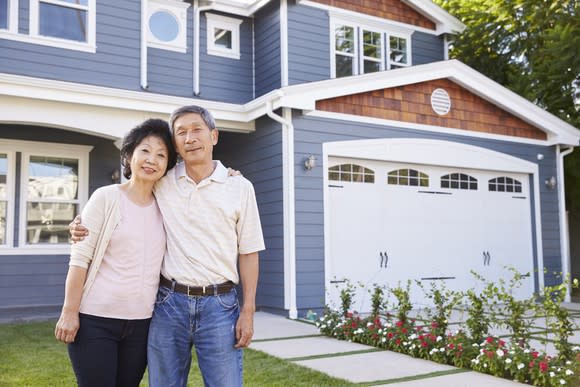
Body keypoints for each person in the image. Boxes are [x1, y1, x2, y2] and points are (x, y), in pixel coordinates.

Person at [71, 105, 265, 387]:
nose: (189, 138)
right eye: (181, 133)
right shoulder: (163, 180)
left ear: (214, 136)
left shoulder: (239, 186)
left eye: (196, 129)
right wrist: (79, 226)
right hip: (168, 303)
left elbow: (249, 252)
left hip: (220, 306)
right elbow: (123, 200)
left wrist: (248, 311)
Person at [55, 118, 178, 387]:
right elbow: (79, 260)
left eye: (161, 155)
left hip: (143, 323)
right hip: (95, 321)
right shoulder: (106, 197)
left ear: (167, 165)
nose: (151, 160)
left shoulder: (168, 205)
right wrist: (69, 312)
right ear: (130, 154)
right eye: (145, 150)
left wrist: (228, 174)